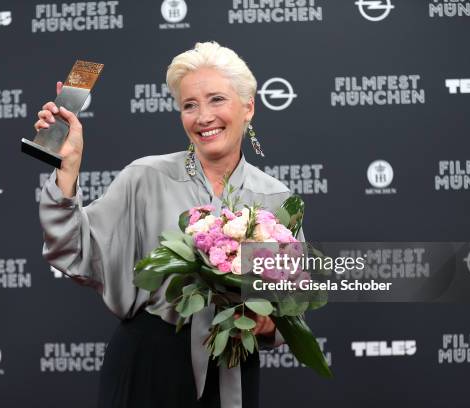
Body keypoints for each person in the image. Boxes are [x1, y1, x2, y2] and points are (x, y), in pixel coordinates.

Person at [36, 42, 299, 408]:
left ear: (248, 107)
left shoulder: (276, 197)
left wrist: (266, 323)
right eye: (189, 105)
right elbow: (75, 248)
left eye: (217, 99)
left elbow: (293, 301)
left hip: (233, 366)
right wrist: (69, 168)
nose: (203, 116)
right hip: (149, 369)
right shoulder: (145, 176)